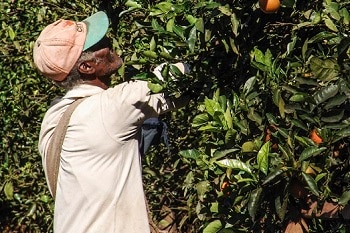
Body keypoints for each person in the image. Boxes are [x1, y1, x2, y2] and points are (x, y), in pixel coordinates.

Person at [34, 11, 188, 233]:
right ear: (87, 67)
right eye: (99, 42)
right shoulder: (109, 109)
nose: (108, 42)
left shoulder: (53, 116)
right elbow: (185, 77)